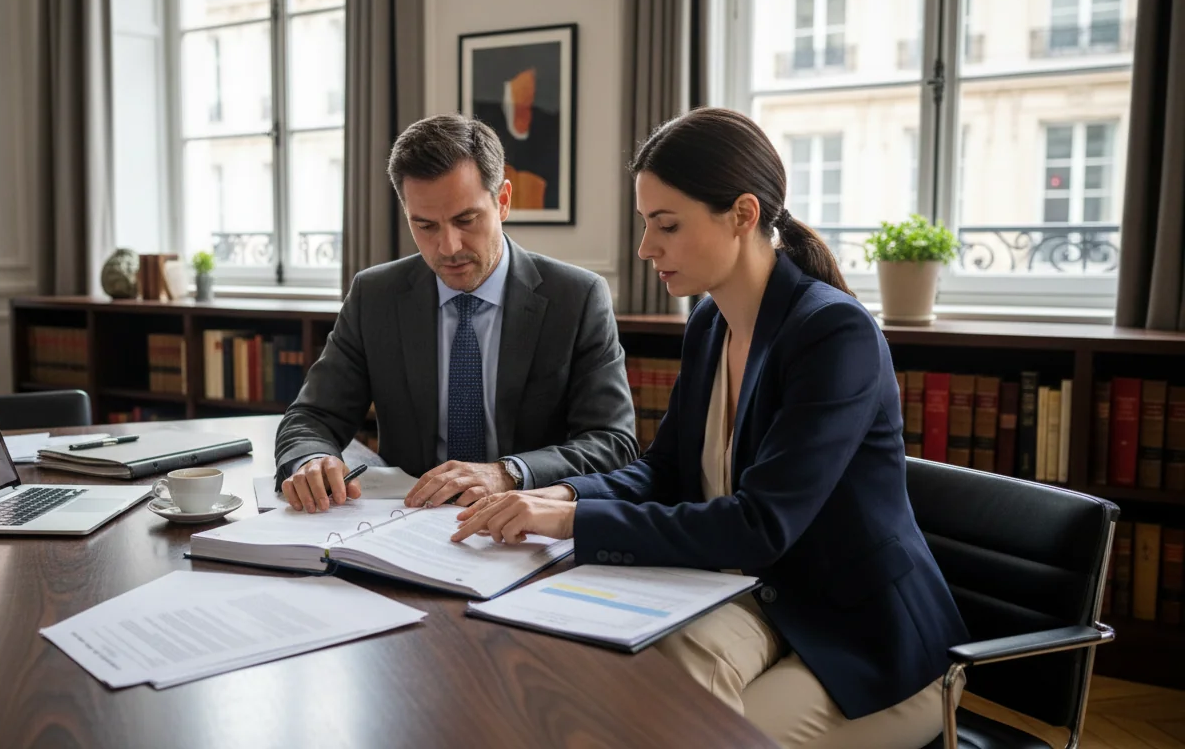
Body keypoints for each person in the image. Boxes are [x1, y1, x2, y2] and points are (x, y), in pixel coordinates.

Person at [450, 107, 969, 748]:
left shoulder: (834, 334)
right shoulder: (712, 322)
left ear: (744, 215)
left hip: (869, 640)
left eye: (667, 225)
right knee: (633, 686)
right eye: (646, 224)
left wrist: (568, 521)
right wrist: (560, 496)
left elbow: (758, 525)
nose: (646, 249)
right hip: (767, 599)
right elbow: (664, 470)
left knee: (692, 733)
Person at [274, 113, 638, 513]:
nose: (448, 247)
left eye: (466, 220)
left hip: (525, 524)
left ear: (503, 201)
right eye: (425, 225)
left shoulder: (577, 297)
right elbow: (312, 416)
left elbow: (612, 442)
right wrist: (310, 459)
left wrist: (507, 472)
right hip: (403, 524)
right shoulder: (375, 295)